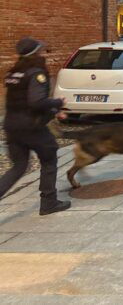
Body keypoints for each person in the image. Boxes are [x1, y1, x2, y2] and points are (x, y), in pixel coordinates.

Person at [0, 38, 71, 215]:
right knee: (49, 158)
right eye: (40, 51)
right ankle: (49, 202)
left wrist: (53, 110)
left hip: (12, 126)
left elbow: (22, 101)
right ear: (36, 53)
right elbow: (36, 102)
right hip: (31, 127)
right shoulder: (36, 73)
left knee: (19, 166)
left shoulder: (14, 73)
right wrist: (57, 102)